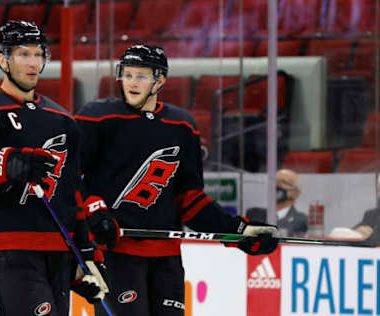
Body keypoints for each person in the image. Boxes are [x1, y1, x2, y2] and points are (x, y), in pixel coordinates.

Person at [75, 44, 279, 316]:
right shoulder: (97, 117)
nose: (132, 83)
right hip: (115, 252)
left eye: (142, 76)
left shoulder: (182, 126)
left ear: (159, 80)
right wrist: (94, 211)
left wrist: (238, 231)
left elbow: (190, 199)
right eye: (128, 74)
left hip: (166, 258)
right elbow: (69, 177)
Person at [0, 20, 108, 316]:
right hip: (5, 245)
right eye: (22, 54)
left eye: (37, 54)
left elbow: (72, 194)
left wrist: (86, 258)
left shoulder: (62, 120)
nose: (32, 63)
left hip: (57, 248)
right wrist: (3, 166)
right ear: (3, 59)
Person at [246, 169, 308, 237]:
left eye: (284, 182)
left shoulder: (302, 220)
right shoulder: (254, 214)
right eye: (275, 181)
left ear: (296, 193)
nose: (278, 185)